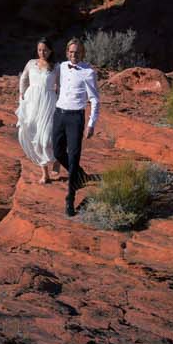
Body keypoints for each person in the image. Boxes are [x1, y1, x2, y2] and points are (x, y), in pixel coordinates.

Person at [51, 37, 101, 216]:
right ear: (67, 53)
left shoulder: (88, 72)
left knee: (73, 157)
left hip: (76, 118)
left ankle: (70, 198)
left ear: (83, 53)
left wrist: (91, 124)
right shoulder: (61, 67)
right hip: (59, 114)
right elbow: (46, 74)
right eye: (71, 52)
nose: (74, 55)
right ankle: (79, 174)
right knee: (57, 152)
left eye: (77, 52)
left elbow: (94, 99)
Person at [15, 39, 58, 183]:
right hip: (32, 103)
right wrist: (22, 93)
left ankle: (56, 158)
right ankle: (45, 173)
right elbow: (23, 78)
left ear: (50, 51)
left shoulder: (56, 66)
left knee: (46, 138)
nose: (42, 53)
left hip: (48, 103)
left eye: (45, 50)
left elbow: (63, 85)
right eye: (39, 50)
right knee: (34, 137)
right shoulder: (31, 63)